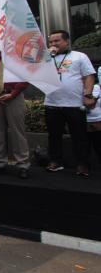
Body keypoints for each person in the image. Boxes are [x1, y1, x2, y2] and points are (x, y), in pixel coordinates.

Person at [44, 30, 96, 176]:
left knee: (79, 136)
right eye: (51, 42)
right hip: (52, 103)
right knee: (54, 135)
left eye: (57, 41)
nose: (53, 44)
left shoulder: (79, 56)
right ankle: (55, 161)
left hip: (74, 104)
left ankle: (82, 164)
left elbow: (89, 76)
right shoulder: (46, 58)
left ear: (66, 42)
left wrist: (88, 94)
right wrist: (45, 57)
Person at [0, 52, 30, 179]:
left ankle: (23, 164)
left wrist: (13, 93)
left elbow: (26, 78)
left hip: (14, 97)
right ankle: (0, 162)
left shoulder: (19, 59)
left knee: (17, 132)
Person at [87, 82, 101, 176]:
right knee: (85, 148)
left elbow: (91, 104)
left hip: (98, 121)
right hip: (83, 122)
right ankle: (85, 168)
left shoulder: (96, 87)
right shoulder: (78, 87)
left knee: (99, 146)